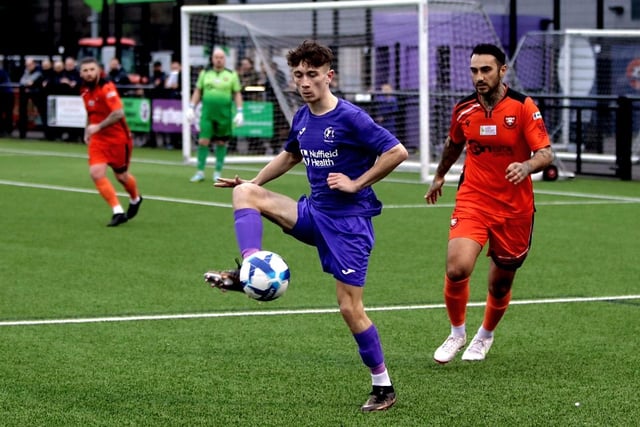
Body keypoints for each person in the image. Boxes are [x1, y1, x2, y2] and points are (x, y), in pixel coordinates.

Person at [204, 40, 408, 412]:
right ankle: (249, 268)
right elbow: (288, 157)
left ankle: (383, 386)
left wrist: (357, 183)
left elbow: (397, 151)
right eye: (298, 75)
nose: (304, 82)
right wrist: (252, 182)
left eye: (312, 75)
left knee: (349, 307)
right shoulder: (302, 117)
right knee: (246, 195)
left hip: (349, 226)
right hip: (314, 215)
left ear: (329, 76)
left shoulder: (350, 117)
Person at [425, 43, 554, 363]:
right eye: (474, 70)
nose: (479, 77)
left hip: (514, 207)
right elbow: (453, 144)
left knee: (500, 284)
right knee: (457, 268)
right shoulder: (464, 109)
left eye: (486, 70)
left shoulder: (523, 107)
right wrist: (440, 175)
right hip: (474, 198)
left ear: (502, 71)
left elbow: (545, 153)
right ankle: (457, 333)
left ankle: (485, 336)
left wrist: (526, 166)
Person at [79, 57, 143, 227]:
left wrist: (97, 127)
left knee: (121, 176)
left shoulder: (107, 88)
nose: (89, 73)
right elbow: (90, 112)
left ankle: (135, 198)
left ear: (99, 70)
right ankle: (118, 211)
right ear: (81, 73)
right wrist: (88, 129)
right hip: (99, 139)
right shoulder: (84, 90)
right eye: (85, 70)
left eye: (92, 69)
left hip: (118, 139)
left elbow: (118, 113)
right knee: (96, 173)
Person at [186, 47, 244, 182]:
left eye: (221, 57)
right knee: (203, 141)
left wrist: (240, 111)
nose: (219, 60)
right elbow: (198, 91)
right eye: (216, 57)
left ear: (225, 59)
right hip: (207, 114)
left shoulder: (231, 74)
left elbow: (237, 93)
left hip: (224, 115)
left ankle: (218, 172)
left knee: (221, 142)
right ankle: (200, 171)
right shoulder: (205, 74)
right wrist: (191, 107)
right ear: (212, 59)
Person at [0, 63, 14, 136]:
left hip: (7, 95)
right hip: (3, 94)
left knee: (8, 113)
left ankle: (8, 130)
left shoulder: (2, 72)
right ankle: (3, 130)